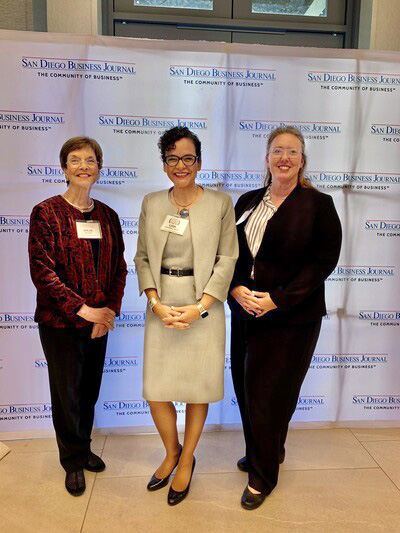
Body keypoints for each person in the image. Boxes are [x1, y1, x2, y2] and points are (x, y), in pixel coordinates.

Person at [228, 126, 342, 510]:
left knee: (271, 395)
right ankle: (265, 449)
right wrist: (234, 289)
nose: (284, 158)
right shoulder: (246, 201)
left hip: (292, 317)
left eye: (292, 152)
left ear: (302, 160)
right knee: (246, 389)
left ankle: (262, 477)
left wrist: (277, 300)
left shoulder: (318, 204)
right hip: (246, 312)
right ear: (266, 159)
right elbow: (230, 254)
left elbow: (323, 261)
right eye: (277, 151)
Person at [134, 126, 238, 506]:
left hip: (203, 305)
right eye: (173, 158)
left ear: (199, 162)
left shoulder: (220, 203)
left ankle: (188, 459)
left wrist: (201, 307)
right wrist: (156, 303)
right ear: (164, 165)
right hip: (160, 302)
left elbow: (227, 259)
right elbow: (142, 256)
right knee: (155, 389)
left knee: (198, 388)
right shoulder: (151, 202)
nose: (181, 165)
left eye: (188, 158)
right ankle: (171, 451)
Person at [28, 136, 127, 496]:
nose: (84, 165)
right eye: (75, 160)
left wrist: (107, 314)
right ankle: (72, 461)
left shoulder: (108, 216)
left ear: (99, 167)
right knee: (66, 393)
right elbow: (43, 272)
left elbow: (119, 269)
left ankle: (84, 449)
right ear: (64, 167)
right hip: (61, 324)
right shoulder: (46, 212)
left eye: (91, 160)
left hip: (99, 322)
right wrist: (84, 310)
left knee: (88, 393)